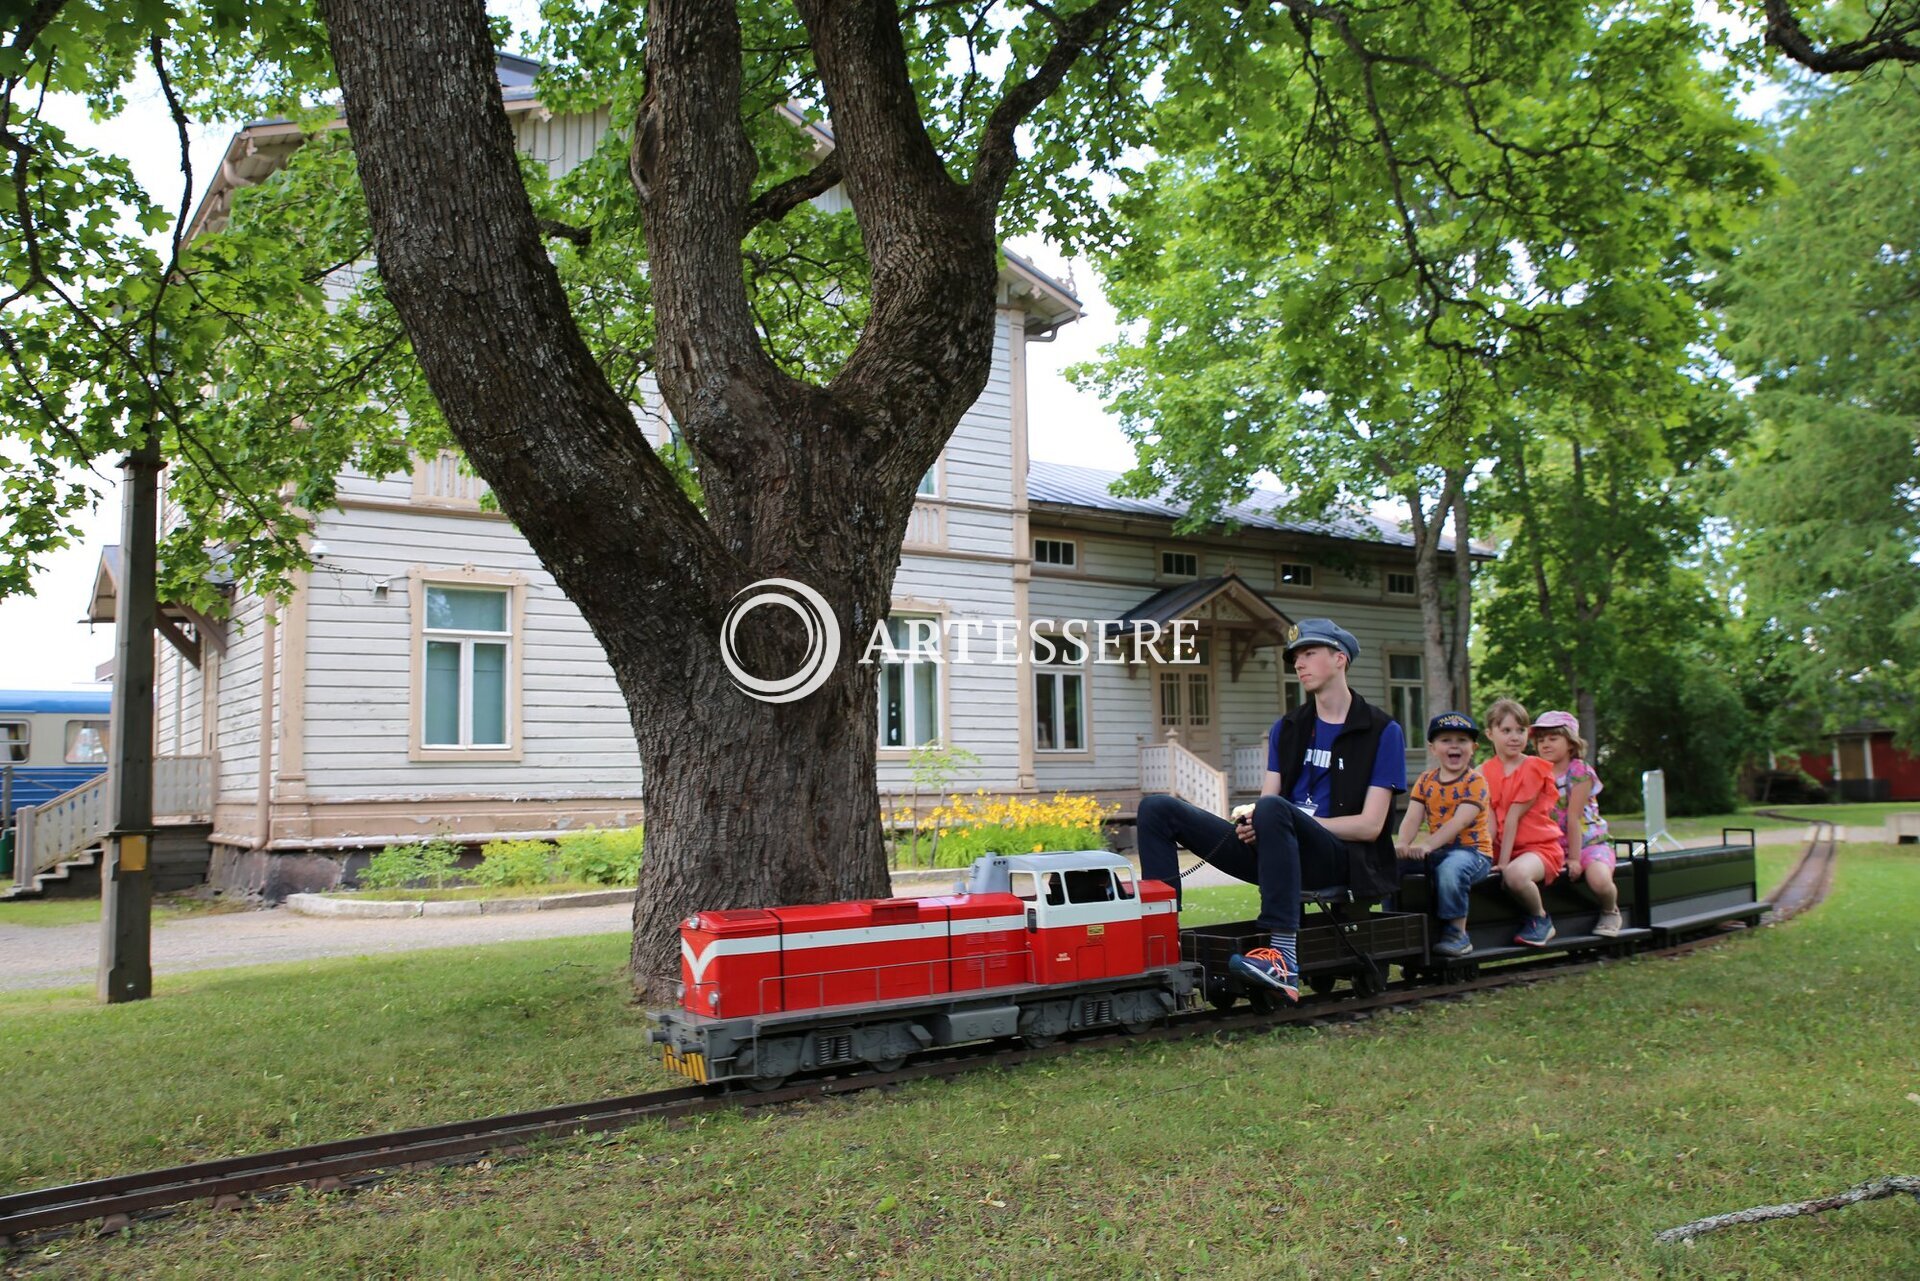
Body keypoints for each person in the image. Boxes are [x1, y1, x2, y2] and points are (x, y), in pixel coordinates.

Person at [1136, 618, 1406, 1003]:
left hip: (1339, 859)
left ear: (1340, 659)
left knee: (1274, 810)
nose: (1299, 663)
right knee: (1157, 808)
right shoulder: (1289, 728)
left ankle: (1283, 958)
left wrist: (1285, 820)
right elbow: (1269, 801)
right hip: (1279, 849)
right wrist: (1252, 825)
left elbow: (1370, 826)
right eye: (1295, 656)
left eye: (1309, 653)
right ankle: (1159, 942)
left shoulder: (1382, 730)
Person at [1394, 711, 1494, 958]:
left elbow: (1459, 822)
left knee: (1451, 869)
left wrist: (1427, 845)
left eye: (1462, 740)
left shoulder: (1475, 781)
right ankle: (1394, 922)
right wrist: (1404, 843)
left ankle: (1457, 933)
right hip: (1439, 851)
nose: (1454, 746)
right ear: (1433, 748)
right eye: (1446, 740)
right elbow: (1412, 817)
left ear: (1473, 748)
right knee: (1391, 864)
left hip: (1474, 853)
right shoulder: (1426, 780)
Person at [1530, 710, 1621, 937]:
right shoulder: (1538, 772)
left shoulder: (1579, 771)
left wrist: (1574, 857)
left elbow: (1574, 817)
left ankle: (1611, 910)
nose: (1545, 745)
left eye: (1553, 739)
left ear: (1570, 743)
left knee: (1599, 880)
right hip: (1553, 843)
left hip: (1589, 841)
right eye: (1541, 740)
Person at [1480, 697, 1563, 946]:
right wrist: (1484, 854)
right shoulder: (1483, 772)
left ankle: (1540, 919)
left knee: (1515, 875)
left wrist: (1504, 863)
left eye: (1521, 730)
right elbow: (1491, 820)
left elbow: (1514, 816)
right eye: (1506, 730)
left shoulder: (1534, 768)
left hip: (1537, 847)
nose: (1515, 737)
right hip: (1502, 846)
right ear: (1490, 733)